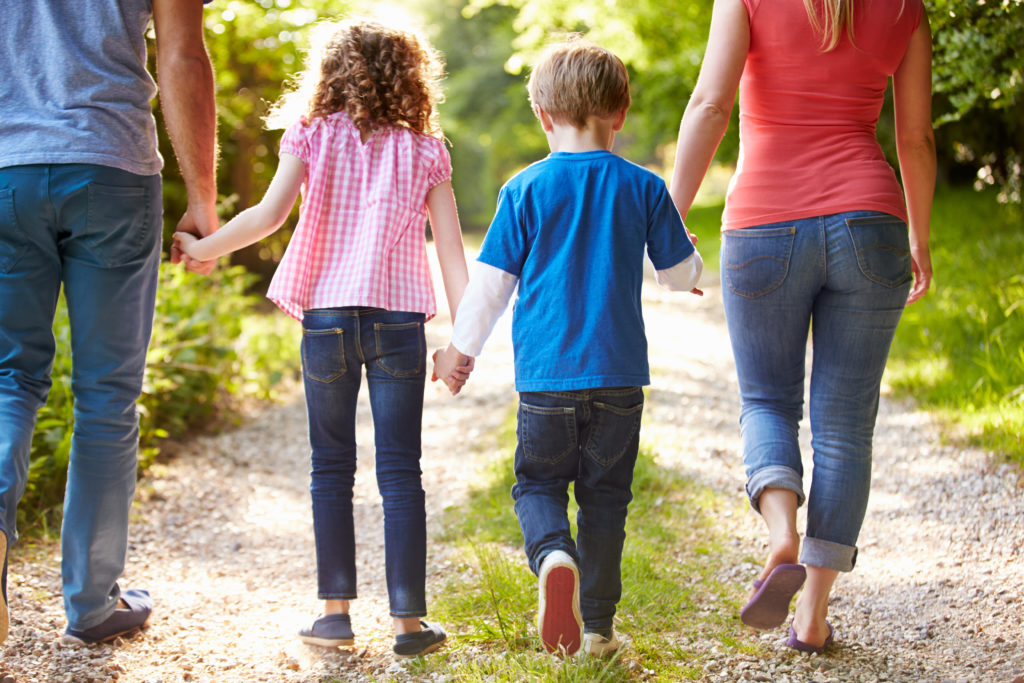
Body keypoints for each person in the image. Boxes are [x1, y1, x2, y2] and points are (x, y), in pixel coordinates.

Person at [174, 19, 469, 659]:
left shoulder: (311, 134)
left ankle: (334, 614)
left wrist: (205, 249)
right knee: (401, 471)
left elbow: (269, 215)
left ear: (330, 73)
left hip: (328, 320)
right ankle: (409, 624)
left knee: (329, 465)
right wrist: (460, 343)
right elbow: (451, 252)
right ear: (411, 77)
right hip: (398, 323)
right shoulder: (426, 149)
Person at [669, 0, 935, 653]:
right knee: (844, 426)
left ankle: (780, 531)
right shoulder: (906, 9)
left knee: (767, 400)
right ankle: (812, 614)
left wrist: (669, 219)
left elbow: (710, 104)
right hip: (870, 225)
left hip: (764, 223)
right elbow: (915, 139)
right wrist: (920, 237)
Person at [433, 37, 704, 657]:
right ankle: (600, 631)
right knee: (606, 499)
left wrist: (459, 352)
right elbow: (679, 274)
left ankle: (554, 554)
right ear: (622, 113)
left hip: (547, 381)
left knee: (537, 485)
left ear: (542, 115)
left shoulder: (524, 189)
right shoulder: (643, 187)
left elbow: (491, 286)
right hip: (619, 380)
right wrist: (688, 264)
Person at [0, 0, 218, 646]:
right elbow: (182, 54)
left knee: (9, 376)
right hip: (110, 166)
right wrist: (202, 197)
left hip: (7, 169)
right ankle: (92, 602)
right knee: (106, 395)